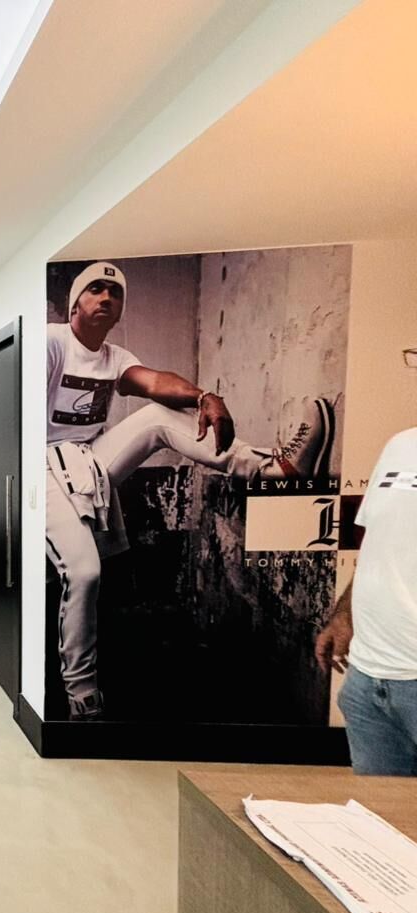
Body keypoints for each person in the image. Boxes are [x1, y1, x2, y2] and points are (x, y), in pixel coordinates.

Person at [47, 261, 334, 720]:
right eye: (95, 289)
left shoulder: (115, 357)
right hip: (40, 465)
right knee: (84, 573)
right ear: (74, 304)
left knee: (157, 417)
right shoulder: (53, 342)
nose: (106, 298)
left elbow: (156, 383)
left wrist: (206, 397)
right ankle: (83, 699)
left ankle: (272, 470)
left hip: (87, 462)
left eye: (115, 293)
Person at [316, 426, 417, 774]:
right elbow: (379, 542)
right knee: (377, 808)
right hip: (368, 680)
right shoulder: (401, 445)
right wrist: (344, 614)